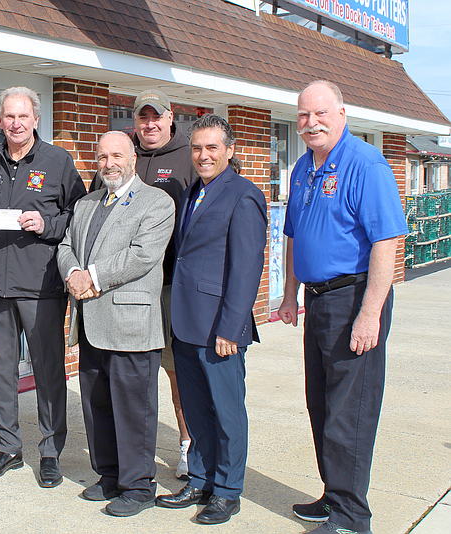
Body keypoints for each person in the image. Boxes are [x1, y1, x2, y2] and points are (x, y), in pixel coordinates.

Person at [277, 81, 407, 534]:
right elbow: (293, 235)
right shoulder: (302, 167)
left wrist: (369, 314)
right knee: (322, 406)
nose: (311, 123)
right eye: (303, 115)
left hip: (354, 299)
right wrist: (290, 293)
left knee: (350, 412)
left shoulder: (366, 164)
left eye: (320, 113)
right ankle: (334, 496)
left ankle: (353, 518)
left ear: (342, 114)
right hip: (317, 302)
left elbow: (386, 243)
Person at [0, 86, 86, 488]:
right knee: (0, 371)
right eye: (9, 116)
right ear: (0, 121)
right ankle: (7, 447)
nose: (16, 123)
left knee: (48, 371)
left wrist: (47, 225)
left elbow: (80, 213)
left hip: (41, 285)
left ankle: (51, 451)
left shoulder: (57, 160)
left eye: (24, 116)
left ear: (36, 119)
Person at [57, 131, 175, 517]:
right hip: (91, 322)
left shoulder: (157, 202)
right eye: (103, 156)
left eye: (117, 155)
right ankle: (108, 476)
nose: (109, 163)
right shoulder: (87, 203)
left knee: (133, 411)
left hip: (131, 325)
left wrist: (90, 276)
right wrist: (72, 270)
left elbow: (142, 256)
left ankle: (139, 487)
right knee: (97, 406)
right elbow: (65, 246)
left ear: (133, 159)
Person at [156, 114, 267, 525]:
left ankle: (227, 490)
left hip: (219, 327)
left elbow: (246, 268)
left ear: (230, 150)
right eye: (197, 148)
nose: (203, 155)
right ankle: (200, 480)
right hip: (185, 323)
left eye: (212, 148)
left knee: (226, 411)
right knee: (198, 410)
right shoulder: (191, 194)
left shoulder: (244, 195)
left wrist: (231, 328)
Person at [90, 89, 195, 478]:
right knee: (131, 379)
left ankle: (188, 446)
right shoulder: (119, 158)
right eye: (142, 118)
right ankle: (127, 459)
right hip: (120, 290)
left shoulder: (188, 157)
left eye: (156, 117)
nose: (149, 125)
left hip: (170, 287)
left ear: (170, 119)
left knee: (177, 372)